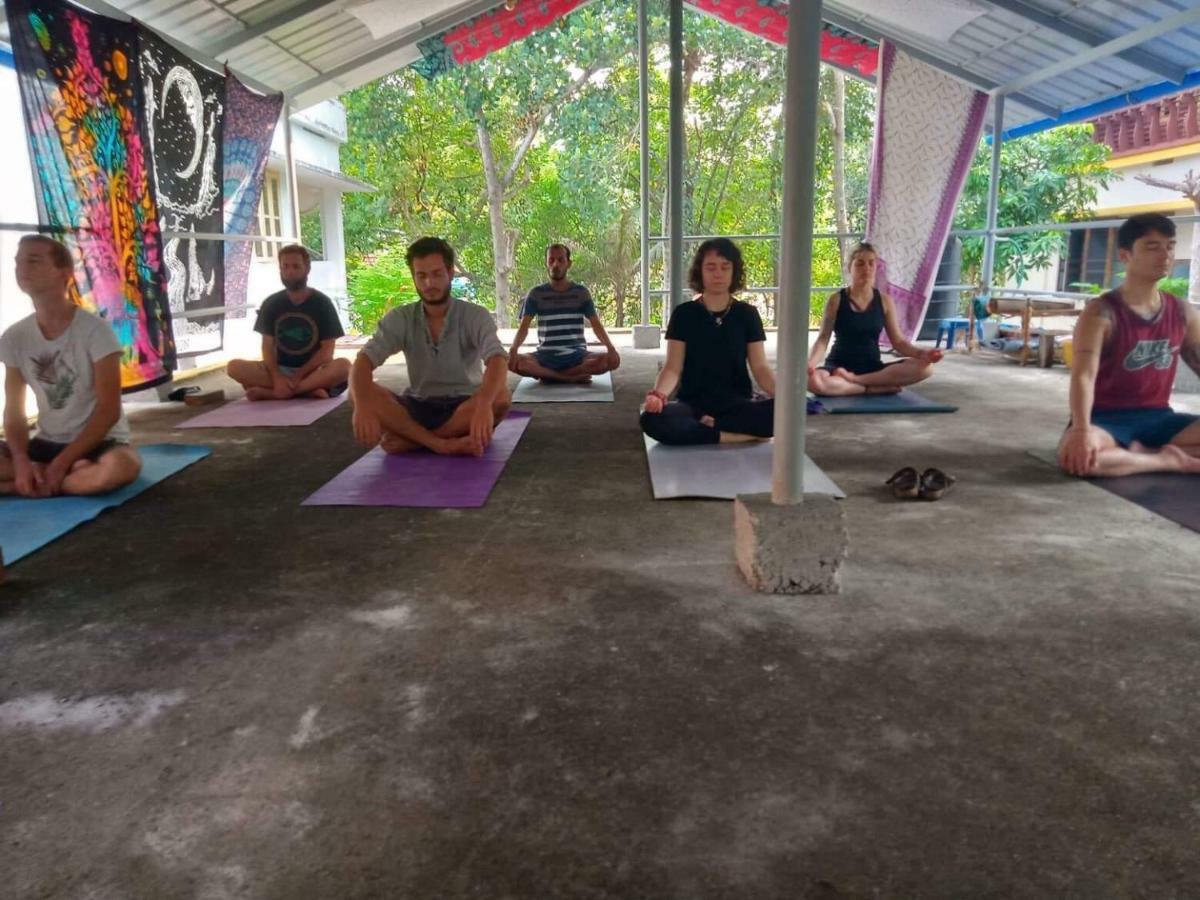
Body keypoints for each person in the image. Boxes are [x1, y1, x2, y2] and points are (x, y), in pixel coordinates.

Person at [1058, 213, 1200, 477]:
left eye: (1170, 246)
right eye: (1152, 246)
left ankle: (1140, 455)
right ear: (1125, 255)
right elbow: (1083, 376)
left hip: (1160, 418)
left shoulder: (1182, 312)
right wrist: (1080, 430)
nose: (1165, 255)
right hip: (1106, 420)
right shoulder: (1101, 313)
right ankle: (1168, 460)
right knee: (1078, 460)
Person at [0, 234, 141, 496]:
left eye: (33, 261)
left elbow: (109, 411)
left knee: (121, 467)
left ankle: (35, 482)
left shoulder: (96, 331)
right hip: (44, 444)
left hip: (98, 443)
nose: (22, 269)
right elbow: (14, 411)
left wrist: (60, 464)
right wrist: (20, 460)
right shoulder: (13, 337)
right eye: (18, 262)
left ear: (64, 272)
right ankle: (49, 478)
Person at [350, 237, 511, 456]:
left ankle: (416, 441)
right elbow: (363, 361)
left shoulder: (475, 315)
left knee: (500, 396)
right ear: (414, 278)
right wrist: (362, 406)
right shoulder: (401, 318)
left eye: (436, 274)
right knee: (359, 390)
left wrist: (483, 404)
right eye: (421, 276)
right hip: (417, 405)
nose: (429, 284)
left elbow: (497, 360)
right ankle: (442, 443)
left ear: (450, 274)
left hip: (464, 405)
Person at [640, 238, 774, 445]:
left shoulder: (747, 314)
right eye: (710, 267)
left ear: (734, 271)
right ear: (700, 272)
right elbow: (673, 368)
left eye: (725, 267)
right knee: (652, 420)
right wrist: (659, 395)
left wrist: (785, 398)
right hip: (693, 405)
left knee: (786, 413)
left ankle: (711, 428)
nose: (718, 274)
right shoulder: (684, 314)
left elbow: (760, 367)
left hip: (737, 403)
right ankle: (730, 434)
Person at [807, 241, 942, 396]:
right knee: (812, 381)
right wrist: (810, 364)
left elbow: (899, 342)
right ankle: (869, 388)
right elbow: (823, 340)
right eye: (860, 264)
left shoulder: (885, 301)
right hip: (838, 368)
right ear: (849, 268)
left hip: (873, 368)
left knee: (926, 368)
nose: (867, 268)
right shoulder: (836, 300)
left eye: (871, 264)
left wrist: (923, 354)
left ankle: (857, 381)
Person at [227, 244, 350, 400]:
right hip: (279, 370)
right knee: (234, 367)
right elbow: (267, 347)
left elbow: (327, 352)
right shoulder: (271, 303)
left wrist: (298, 376)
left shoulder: (322, 303)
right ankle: (305, 390)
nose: (290, 272)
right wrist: (277, 376)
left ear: (307, 269)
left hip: (314, 371)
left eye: (296, 267)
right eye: (285, 267)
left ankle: (277, 393)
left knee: (344, 367)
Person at [508, 243, 620, 383]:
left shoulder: (581, 293)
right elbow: (523, 328)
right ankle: (565, 377)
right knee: (513, 361)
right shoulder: (536, 294)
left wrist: (610, 348)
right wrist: (513, 349)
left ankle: (549, 376)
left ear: (569, 264)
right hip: (545, 356)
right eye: (551, 260)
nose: (556, 264)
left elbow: (596, 324)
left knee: (609, 361)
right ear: (546, 264)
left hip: (576, 356)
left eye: (561, 260)